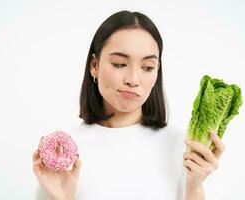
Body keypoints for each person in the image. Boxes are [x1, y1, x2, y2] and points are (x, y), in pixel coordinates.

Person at [32, 10, 225, 200]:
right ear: (94, 65)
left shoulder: (188, 150)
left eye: (147, 67)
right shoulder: (65, 154)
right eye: (119, 64)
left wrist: (195, 187)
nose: (133, 80)